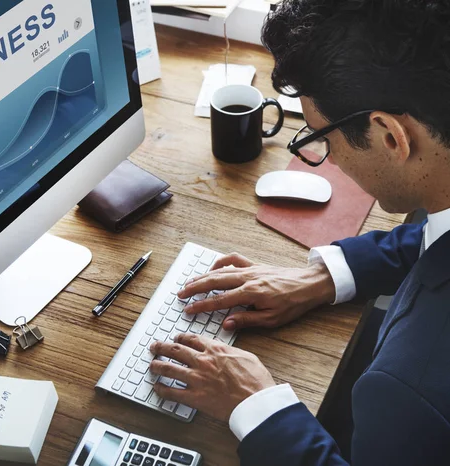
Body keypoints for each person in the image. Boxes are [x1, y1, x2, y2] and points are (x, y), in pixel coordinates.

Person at [148, 1, 450, 464]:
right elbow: (436, 240)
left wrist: (259, 407)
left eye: (320, 138)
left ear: (391, 136)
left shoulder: (407, 391)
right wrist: (324, 276)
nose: (328, 159)